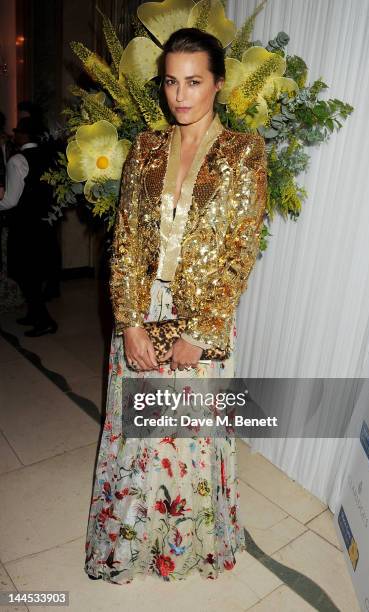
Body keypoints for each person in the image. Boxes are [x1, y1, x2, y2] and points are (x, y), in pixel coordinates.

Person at [84, 27, 267, 584]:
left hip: (202, 313)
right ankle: (131, 540)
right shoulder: (144, 148)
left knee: (187, 435)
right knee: (137, 430)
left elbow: (241, 247)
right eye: (171, 82)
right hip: (143, 305)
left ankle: (185, 544)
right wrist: (130, 323)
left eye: (194, 81)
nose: (181, 95)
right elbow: (127, 240)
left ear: (218, 84)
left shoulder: (244, 152)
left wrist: (204, 330)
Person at [0, 116, 58, 336]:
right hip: (44, 225)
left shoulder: (17, 160)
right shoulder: (50, 156)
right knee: (33, 273)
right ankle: (35, 315)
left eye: (17, 131)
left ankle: (44, 320)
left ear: (24, 135)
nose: (14, 135)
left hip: (24, 227)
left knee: (26, 275)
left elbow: (11, 200)